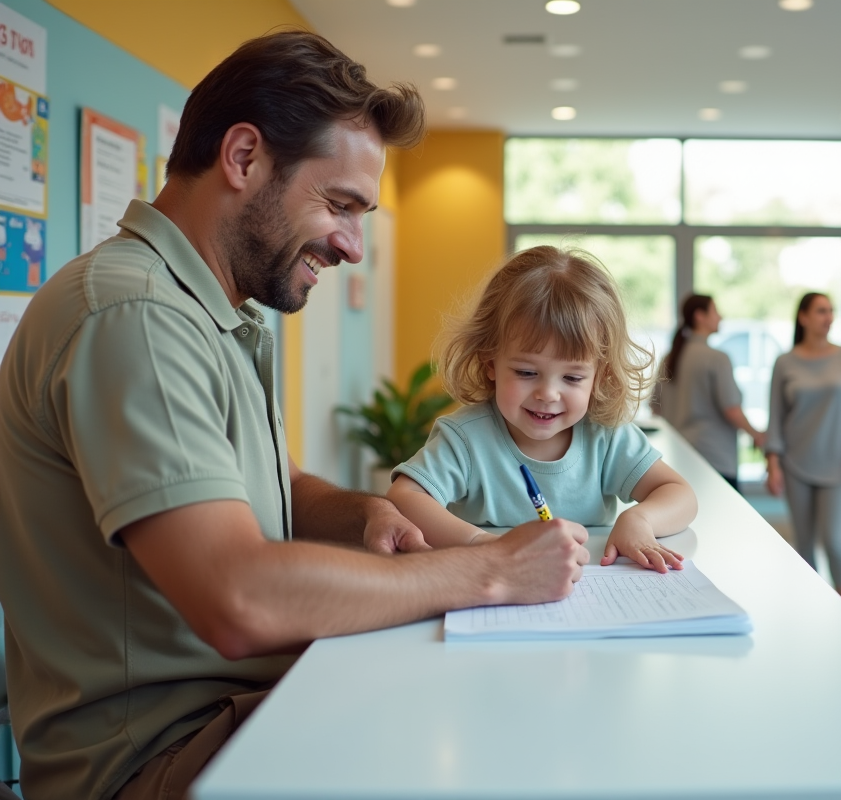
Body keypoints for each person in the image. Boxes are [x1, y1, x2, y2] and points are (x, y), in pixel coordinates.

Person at [0, 33, 591, 800]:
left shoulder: (207, 313)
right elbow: (236, 597)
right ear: (243, 157)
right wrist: (492, 570)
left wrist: (362, 515)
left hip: (242, 704)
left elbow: (270, 485)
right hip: (158, 755)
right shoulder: (134, 317)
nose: (352, 245)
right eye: (339, 205)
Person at [388, 246, 698, 573]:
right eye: (526, 372)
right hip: (491, 583)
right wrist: (482, 544)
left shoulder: (606, 436)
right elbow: (403, 497)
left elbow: (680, 494)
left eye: (572, 377)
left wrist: (639, 519)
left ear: (600, 375)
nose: (548, 394)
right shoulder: (465, 439)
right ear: (490, 361)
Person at [765, 292, 841, 599]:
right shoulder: (785, 362)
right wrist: (773, 464)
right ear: (803, 317)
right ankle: (812, 603)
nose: (828, 317)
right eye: (821, 311)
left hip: (838, 463)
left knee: (834, 540)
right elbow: (776, 417)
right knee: (803, 543)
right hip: (795, 463)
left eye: (830, 311)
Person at [652, 294, 766, 491]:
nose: (720, 317)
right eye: (715, 311)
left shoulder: (669, 358)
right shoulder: (716, 358)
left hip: (678, 461)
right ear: (700, 316)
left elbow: (655, 408)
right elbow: (731, 409)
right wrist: (757, 435)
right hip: (715, 460)